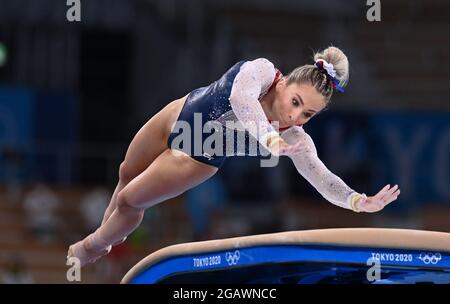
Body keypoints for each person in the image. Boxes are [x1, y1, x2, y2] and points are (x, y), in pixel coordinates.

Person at [68, 46, 401, 266]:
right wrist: (270, 138)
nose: (297, 117)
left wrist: (358, 201)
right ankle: (108, 235)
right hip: (181, 112)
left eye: (308, 114)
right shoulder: (262, 71)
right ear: (283, 84)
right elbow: (242, 101)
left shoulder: (295, 138)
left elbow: (321, 178)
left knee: (129, 201)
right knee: (126, 171)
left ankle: (93, 246)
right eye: (296, 102)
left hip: (197, 157)